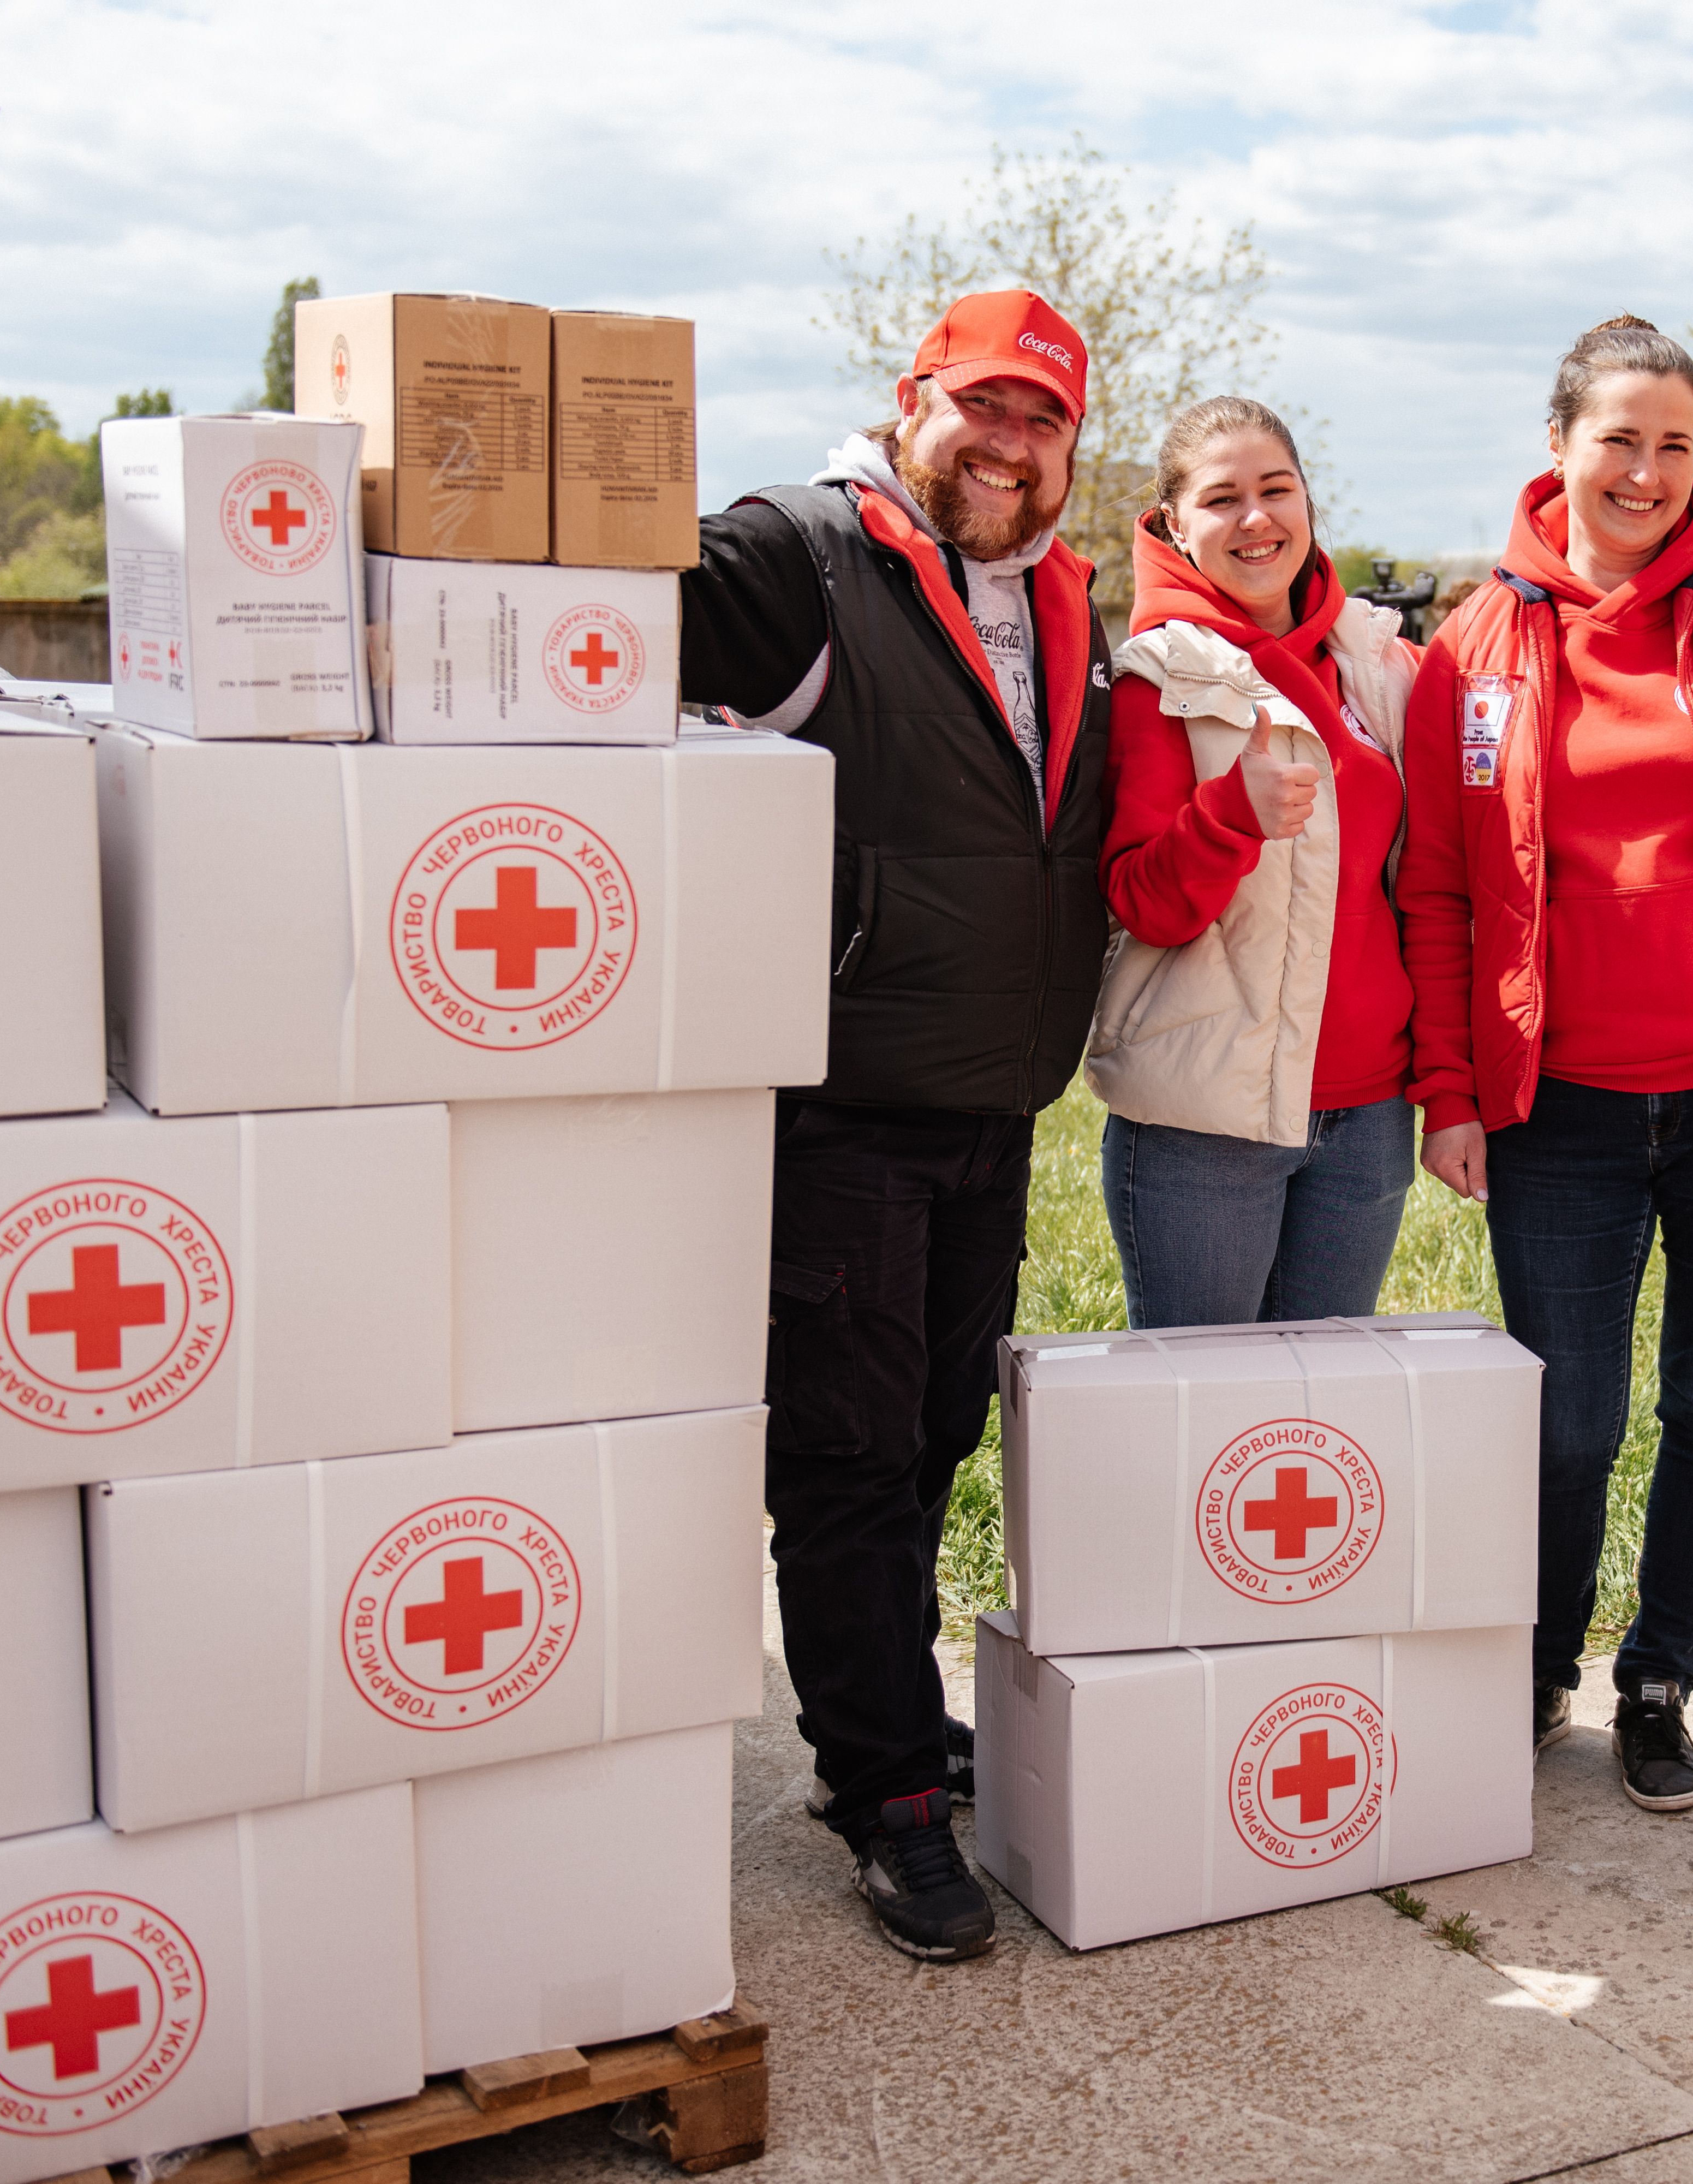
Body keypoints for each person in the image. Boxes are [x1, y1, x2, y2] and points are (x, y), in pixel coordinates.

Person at [676, 291, 1111, 1964]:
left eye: (1044, 422)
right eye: (981, 409)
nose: (1008, 449)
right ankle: (883, 1795)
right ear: (911, 400)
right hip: (843, 1114)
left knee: (933, 1434)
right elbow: (588, 609)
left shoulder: (1057, 594)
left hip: (991, 1106)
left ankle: (886, 1717)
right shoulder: (798, 557)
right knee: (850, 1465)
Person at [1401, 317, 1693, 1816]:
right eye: (1618, 439)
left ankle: (1661, 1675)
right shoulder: (1471, 647)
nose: (1645, 470)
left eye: (1673, 445)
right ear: (1560, 446)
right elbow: (1441, 889)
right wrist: (1452, 1091)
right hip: (1559, 1113)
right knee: (1569, 1417)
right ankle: (1535, 1668)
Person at [1089, 397, 1420, 1326]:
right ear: (1171, 526)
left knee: (1309, 1424)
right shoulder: (1155, 677)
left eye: (1275, 490)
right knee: (1202, 1429)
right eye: (1221, 498)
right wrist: (1228, 815)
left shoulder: (1375, 661)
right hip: (1206, 1126)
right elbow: (1144, 904)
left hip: (1365, 1117)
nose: (1255, 519)